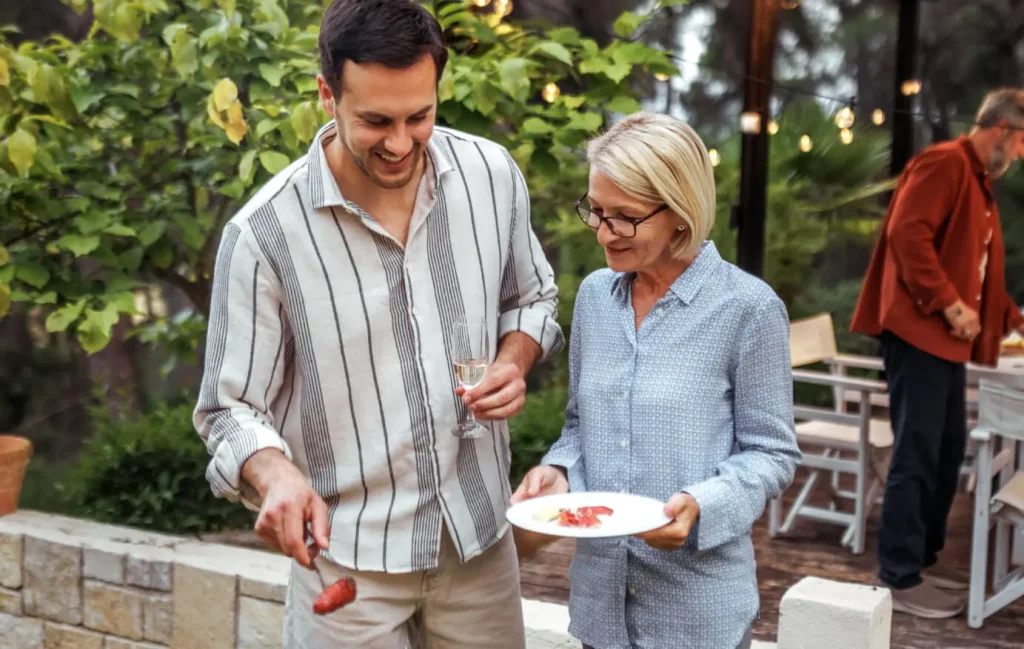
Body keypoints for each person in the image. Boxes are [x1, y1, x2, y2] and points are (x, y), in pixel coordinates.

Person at [192, 1, 564, 647]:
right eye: (374, 121)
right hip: (346, 559)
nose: (399, 142)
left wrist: (515, 358)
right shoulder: (263, 234)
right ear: (326, 94)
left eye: (419, 116)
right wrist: (276, 475)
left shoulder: (492, 175)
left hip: (478, 543)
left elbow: (532, 298)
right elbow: (228, 408)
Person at [512, 112, 800, 649]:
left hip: (697, 613)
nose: (603, 231)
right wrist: (558, 471)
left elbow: (772, 454)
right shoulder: (598, 297)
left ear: (680, 214)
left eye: (624, 217)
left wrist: (702, 505)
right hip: (601, 605)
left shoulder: (749, 309)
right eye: (595, 211)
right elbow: (581, 426)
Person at [850, 88, 1024, 619]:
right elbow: (908, 234)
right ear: (1000, 130)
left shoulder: (978, 183)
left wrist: (1015, 320)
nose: (1019, 156)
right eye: (1020, 144)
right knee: (918, 454)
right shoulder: (944, 163)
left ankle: (918, 566)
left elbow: (979, 275)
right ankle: (898, 578)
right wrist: (948, 305)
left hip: (942, 343)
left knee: (947, 453)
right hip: (917, 332)